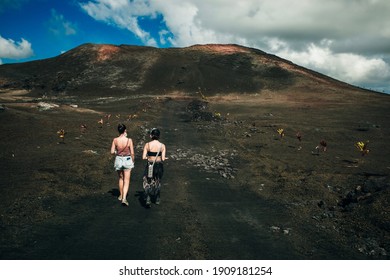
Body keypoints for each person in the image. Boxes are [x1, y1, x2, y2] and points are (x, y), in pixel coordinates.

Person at [111, 123, 135, 206]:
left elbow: (111, 152)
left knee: (121, 178)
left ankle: (120, 195)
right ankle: (124, 198)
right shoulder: (129, 140)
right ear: (125, 130)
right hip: (127, 159)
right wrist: (133, 160)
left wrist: (116, 152)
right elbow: (132, 153)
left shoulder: (115, 140)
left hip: (118, 159)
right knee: (126, 180)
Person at [142, 128, 167, 207]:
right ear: (159, 136)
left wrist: (149, 157)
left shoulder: (147, 145)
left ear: (151, 136)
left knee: (148, 181)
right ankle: (157, 198)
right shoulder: (162, 146)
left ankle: (148, 198)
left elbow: (143, 157)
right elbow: (163, 158)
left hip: (150, 165)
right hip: (158, 165)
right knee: (158, 181)